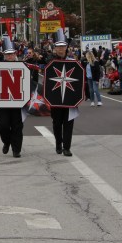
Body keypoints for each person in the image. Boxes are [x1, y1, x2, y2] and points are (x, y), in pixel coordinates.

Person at [48, 28, 79, 157]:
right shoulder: (51, 62)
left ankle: (67, 147)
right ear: (55, 48)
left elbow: (79, 80)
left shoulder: (74, 62)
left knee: (68, 124)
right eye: (58, 47)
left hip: (70, 99)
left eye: (63, 46)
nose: (61, 49)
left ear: (67, 47)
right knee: (57, 123)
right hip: (55, 99)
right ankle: (58, 144)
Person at [0, 36, 26, 158]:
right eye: (7, 54)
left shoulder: (22, 66)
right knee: (3, 126)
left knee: (17, 127)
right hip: (2, 103)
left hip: (18, 103)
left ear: (15, 54)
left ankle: (16, 149)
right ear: (4, 55)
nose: (9, 56)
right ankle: (7, 142)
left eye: (11, 54)